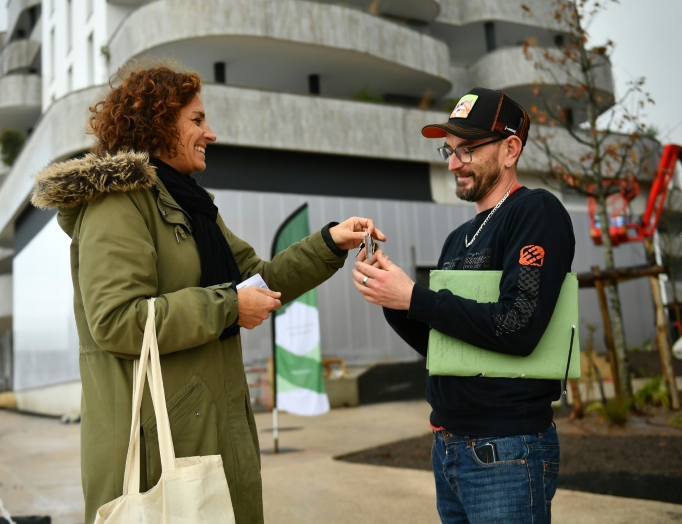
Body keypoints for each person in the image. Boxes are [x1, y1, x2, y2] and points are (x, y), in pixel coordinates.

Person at [30, 60, 385, 524]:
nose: (210, 133)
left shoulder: (193, 205)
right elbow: (115, 322)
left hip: (214, 429)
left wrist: (328, 242)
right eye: (196, 120)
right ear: (157, 125)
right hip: (158, 445)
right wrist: (228, 306)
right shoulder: (116, 203)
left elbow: (260, 282)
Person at [353, 87, 575, 523]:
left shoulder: (536, 212)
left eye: (468, 150)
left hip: (507, 449)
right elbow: (444, 345)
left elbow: (518, 326)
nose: (453, 163)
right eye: (449, 150)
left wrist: (414, 296)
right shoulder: (458, 238)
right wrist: (392, 297)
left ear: (511, 149)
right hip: (449, 446)